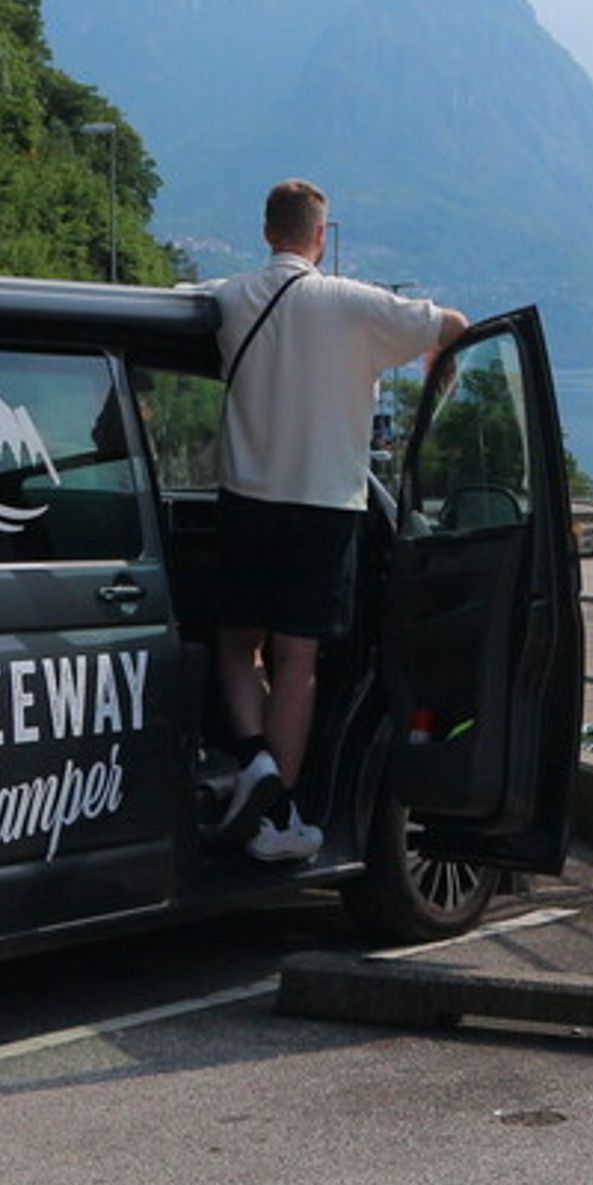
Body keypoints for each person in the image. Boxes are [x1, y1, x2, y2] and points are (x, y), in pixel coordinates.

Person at [206, 178, 465, 866]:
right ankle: (281, 812)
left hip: (246, 499)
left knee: (237, 645)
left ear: (267, 233)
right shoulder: (354, 305)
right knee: (299, 660)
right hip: (327, 508)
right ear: (321, 238)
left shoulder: (227, 298)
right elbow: (455, 326)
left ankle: (254, 763)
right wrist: (438, 364)